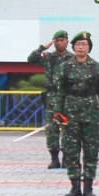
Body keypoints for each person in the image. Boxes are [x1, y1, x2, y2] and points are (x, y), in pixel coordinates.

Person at [51, 31, 99, 196]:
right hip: (71, 114)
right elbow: (60, 91)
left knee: (91, 151)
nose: (81, 48)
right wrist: (58, 111)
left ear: (89, 48)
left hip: (92, 113)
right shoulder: (65, 66)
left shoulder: (97, 67)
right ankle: (75, 187)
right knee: (71, 151)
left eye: (84, 45)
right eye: (78, 45)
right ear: (73, 47)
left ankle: (88, 187)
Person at [29, 30, 72, 168]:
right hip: (52, 97)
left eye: (62, 40)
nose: (60, 43)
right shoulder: (49, 57)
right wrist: (43, 48)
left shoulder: (73, 58)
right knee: (52, 129)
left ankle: (67, 157)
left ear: (67, 41)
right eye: (57, 41)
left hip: (67, 97)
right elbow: (31, 59)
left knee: (68, 128)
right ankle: (54, 158)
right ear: (54, 42)